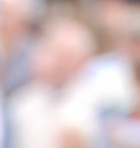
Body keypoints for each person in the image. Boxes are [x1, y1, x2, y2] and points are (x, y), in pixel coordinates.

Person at [6, 14, 98, 148]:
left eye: (68, 56)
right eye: (56, 53)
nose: (60, 62)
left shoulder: (95, 101)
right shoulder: (22, 101)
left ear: (81, 61)